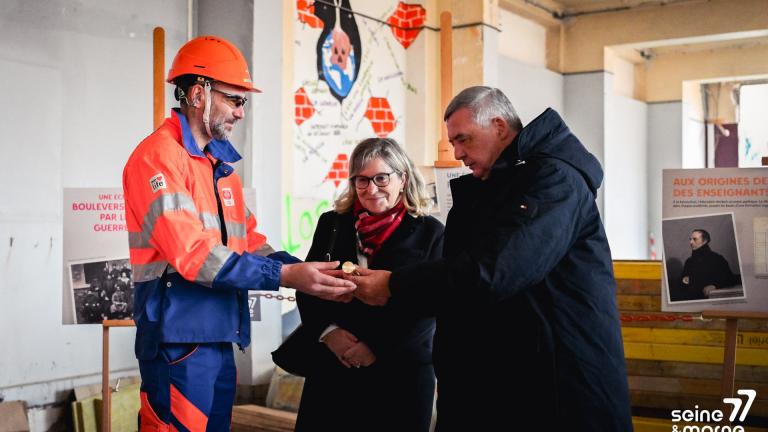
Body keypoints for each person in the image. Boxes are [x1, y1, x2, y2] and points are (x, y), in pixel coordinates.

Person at [345, 87, 632, 430]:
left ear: (498, 125)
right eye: (453, 143)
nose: (458, 153)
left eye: (463, 139)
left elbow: (495, 270)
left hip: (557, 386)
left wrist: (395, 284)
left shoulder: (554, 181)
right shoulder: (503, 185)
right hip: (509, 383)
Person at [122, 35, 355, 431]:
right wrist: (284, 276)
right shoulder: (158, 158)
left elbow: (249, 243)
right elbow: (194, 255)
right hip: (177, 339)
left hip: (217, 333)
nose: (241, 113)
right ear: (199, 94)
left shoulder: (219, 167)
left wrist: (307, 273)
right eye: (235, 99)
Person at [292, 138, 444, 432]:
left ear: (403, 178)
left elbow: (432, 305)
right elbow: (308, 285)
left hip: (400, 373)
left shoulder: (430, 233)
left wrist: (375, 346)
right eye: (362, 180)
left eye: (381, 178)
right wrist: (329, 333)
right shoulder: (332, 224)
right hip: (335, 367)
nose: (371, 189)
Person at [681, 229, 737, 299]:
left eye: (695, 239)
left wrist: (714, 286)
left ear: (705, 241)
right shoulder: (689, 261)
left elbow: (730, 279)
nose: (691, 242)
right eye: (690, 239)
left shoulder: (717, 259)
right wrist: (684, 280)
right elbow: (682, 282)